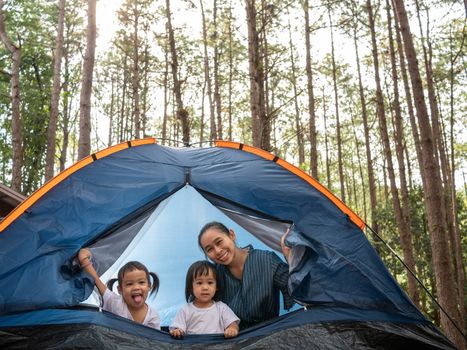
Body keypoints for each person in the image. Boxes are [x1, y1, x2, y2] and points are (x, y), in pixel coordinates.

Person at [198, 221, 294, 329]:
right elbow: (200, 307)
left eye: (219, 242)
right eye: (209, 249)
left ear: (232, 235)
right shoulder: (214, 276)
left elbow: (297, 291)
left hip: (268, 336)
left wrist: (291, 260)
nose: (218, 251)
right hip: (232, 339)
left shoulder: (267, 260)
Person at [78, 248, 161, 330]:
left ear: (149, 286)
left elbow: (156, 340)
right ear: (120, 290)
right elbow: (96, 280)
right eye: (129, 284)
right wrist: (84, 260)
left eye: (141, 282)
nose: (136, 287)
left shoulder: (152, 316)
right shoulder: (115, 303)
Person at [169, 260, 240, 338]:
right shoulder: (185, 310)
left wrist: (232, 329)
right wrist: (177, 331)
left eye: (210, 282)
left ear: (216, 286)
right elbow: (176, 328)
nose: (205, 288)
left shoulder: (221, 307)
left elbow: (233, 323)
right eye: (199, 283)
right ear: (190, 287)